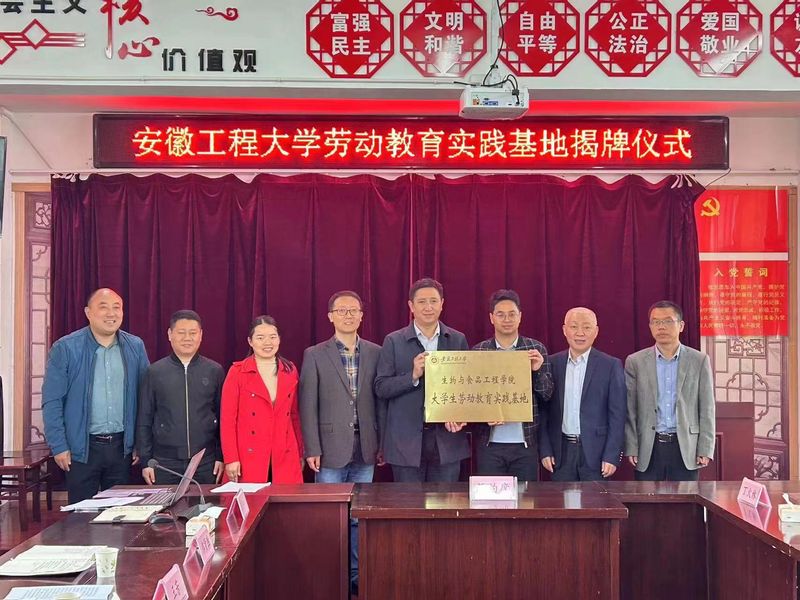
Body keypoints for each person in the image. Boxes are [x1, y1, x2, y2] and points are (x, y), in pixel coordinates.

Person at [299, 291, 380, 597]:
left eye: (353, 310)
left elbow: (380, 401)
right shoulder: (314, 354)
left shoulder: (376, 352)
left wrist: (380, 442)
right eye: (341, 310)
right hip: (329, 448)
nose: (348, 315)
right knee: (329, 516)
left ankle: (357, 575)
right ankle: (330, 575)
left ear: (362, 315)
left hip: (365, 446)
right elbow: (308, 405)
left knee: (360, 516)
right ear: (330, 316)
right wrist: (312, 447)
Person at [42, 288, 149, 503]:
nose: (111, 313)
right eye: (103, 307)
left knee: (119, 514)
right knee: (81, 515)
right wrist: (59, 446)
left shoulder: (135, 346)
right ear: (88, 313)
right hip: (82, 448)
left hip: (121, 448)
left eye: (117, 308)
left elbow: (146, 398)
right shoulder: (65, 348)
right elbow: (52, 401)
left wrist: (140, 443)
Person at [375, 277, 469, 482]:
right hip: (406, 443)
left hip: (447, 441)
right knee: (408, 501)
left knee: (445, 500)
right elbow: (381, 387)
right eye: (422, 302)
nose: (428, 307)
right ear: (411, 306)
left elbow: (466, 387)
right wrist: (412, 375)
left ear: (442, 304)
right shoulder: (394, 341)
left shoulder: (457, 339)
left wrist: (460, 414)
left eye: (433, 301)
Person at [624, 301, 716, 481]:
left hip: (686, 447)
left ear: (681, 325)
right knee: (647, 499)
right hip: (649, 447)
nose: (661, 327)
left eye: (667, 321)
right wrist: (631, 446)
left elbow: (707, 408)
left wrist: (705, 448)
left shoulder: (699, 360)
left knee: (686, 498)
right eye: (655, 322)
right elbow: (630, 409)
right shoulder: (636, 362)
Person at [136, 310, 225, 485]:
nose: (187, 338)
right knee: (166, 504)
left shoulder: (214, 371)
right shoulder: (154, 372)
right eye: (181, 333)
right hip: (164, 463)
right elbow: (144, 418)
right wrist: (146, 460)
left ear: (201, 335)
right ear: (170, 334)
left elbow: (223, 417)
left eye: (193, 333)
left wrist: (220, 456)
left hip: (205, 462)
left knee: (206, 503)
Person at [472, 289, 553, 481]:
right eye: (500, 314)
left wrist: (537, 371)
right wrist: (484, 415)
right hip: (489, 444)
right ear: (491, 318)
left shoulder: (535, 349)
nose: (506, 319)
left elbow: (548, 395)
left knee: (526, 497)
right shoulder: (479, 351)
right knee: (490, 498)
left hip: (526, 444)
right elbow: (471, 399)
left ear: (520, 316)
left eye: (512, 314)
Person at [539, 307, 626, 481]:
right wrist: (545, 450)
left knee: (595, 499)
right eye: (574, 327)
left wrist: (612, 455)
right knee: (561, 498)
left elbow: (618, 414)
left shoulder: (610, 365)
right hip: (560, 453)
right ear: (564, 330)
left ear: (596, 331)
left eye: (586, 327)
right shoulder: (551, 363)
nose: (580, 333)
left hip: (597, 453)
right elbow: (543, 411)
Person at [221, 315, 303, 483]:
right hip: (248, 454)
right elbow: (228, 419)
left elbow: (294, 415)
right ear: (250, 341)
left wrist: (300, 452)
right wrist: (231, 458)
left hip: (285, 452)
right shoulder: (238, 372)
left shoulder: (289, 370)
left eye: (272, 337)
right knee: (250, 499)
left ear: (279, 339)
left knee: (287, 498)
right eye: (260, 337)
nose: (267, 342)